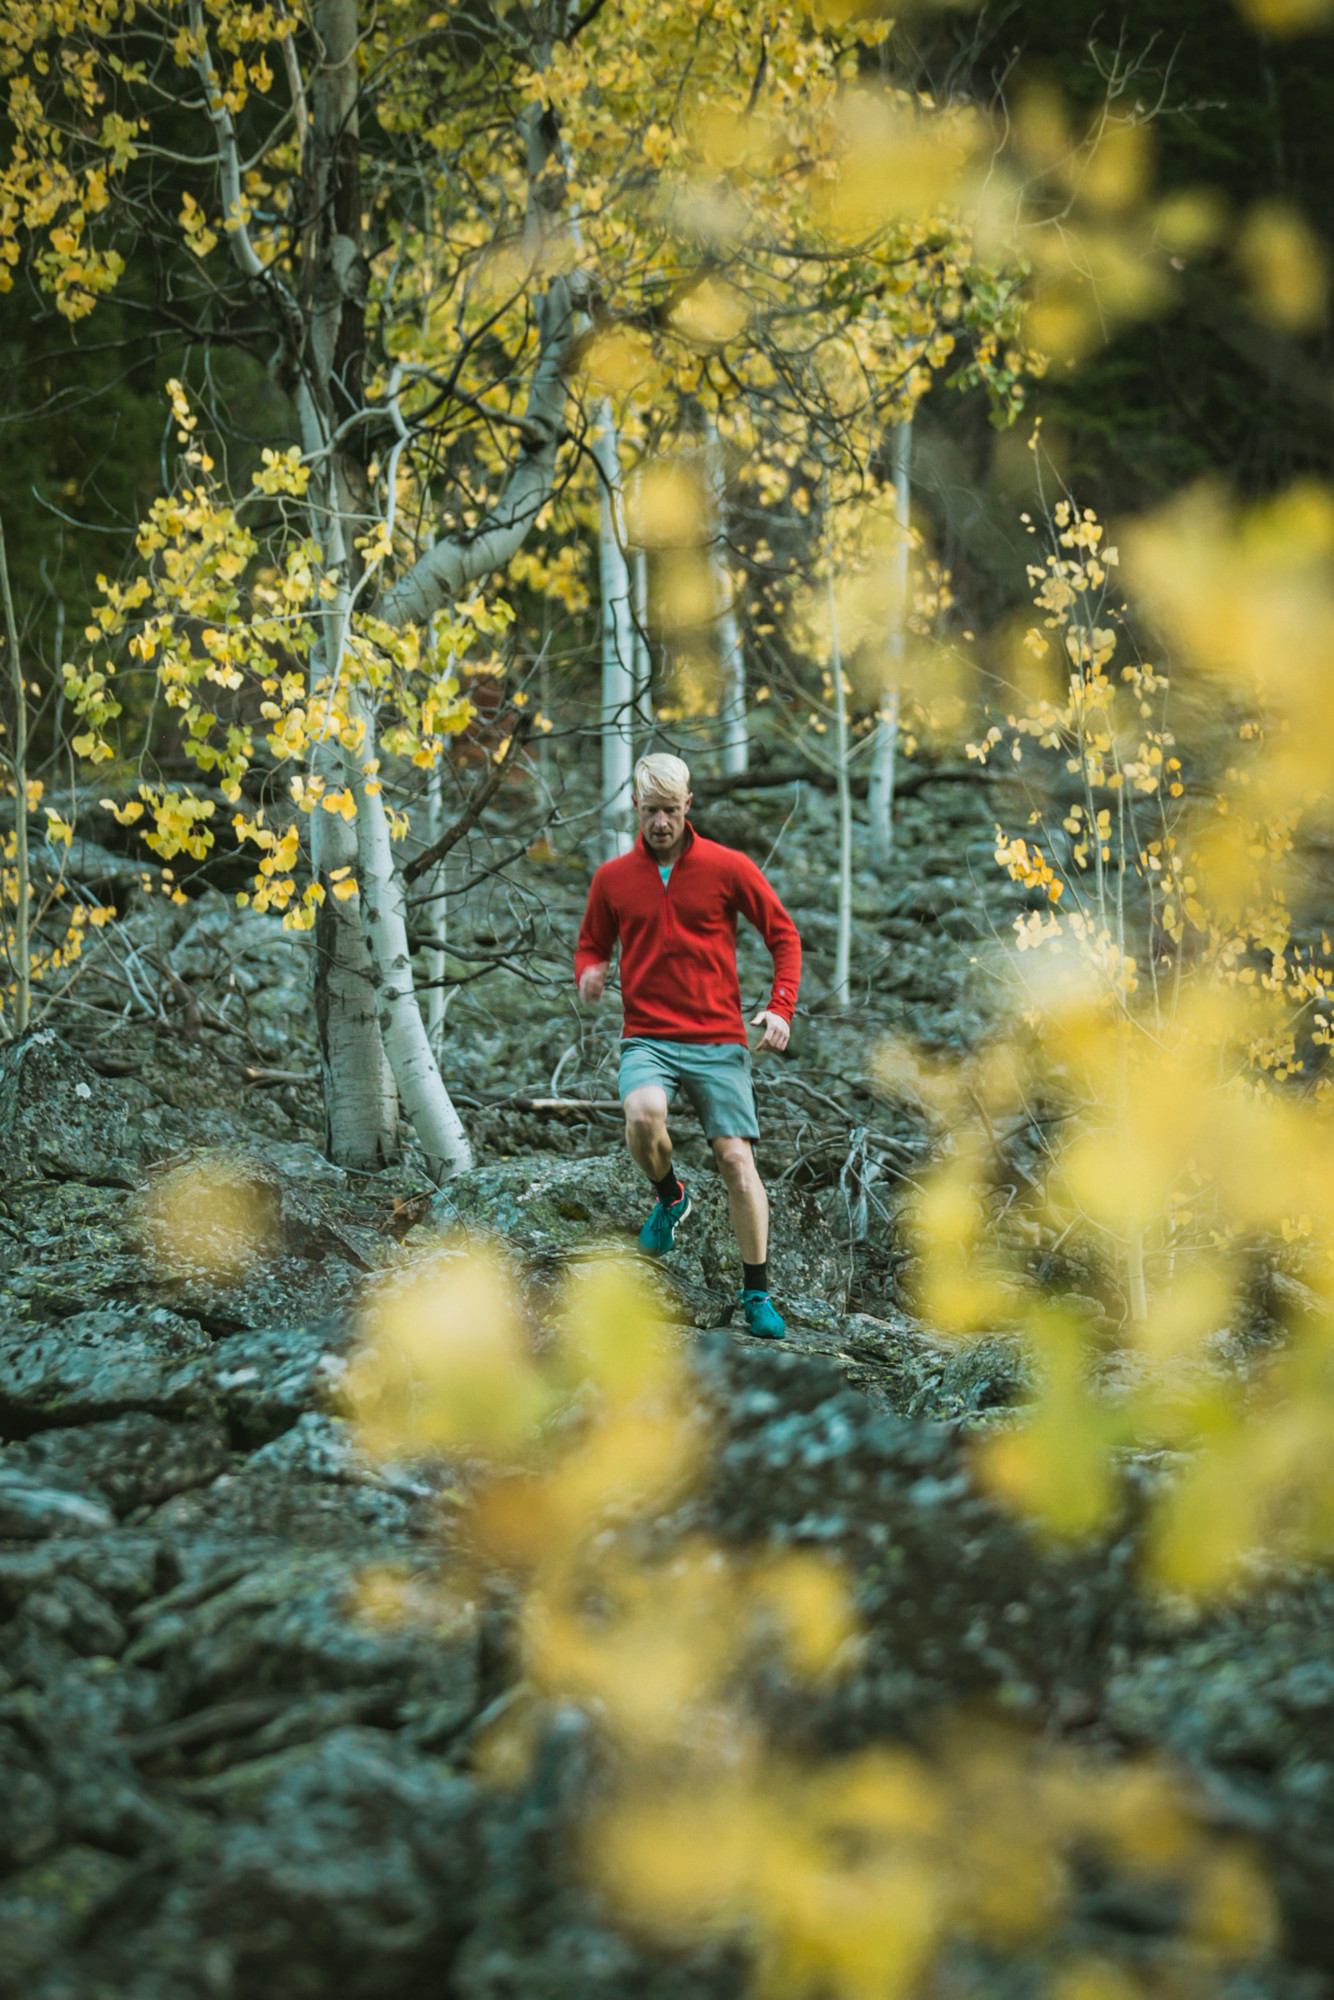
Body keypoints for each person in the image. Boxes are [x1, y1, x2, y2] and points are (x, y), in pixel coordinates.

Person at [575, 752, 802, 1339]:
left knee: (734, 1160)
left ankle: (757, 1294)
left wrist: (779, 1008)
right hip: (648, 1035)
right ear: (636, 807)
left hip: (718, 1037)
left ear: (688, 807)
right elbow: (590, 944)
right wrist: (591, 971)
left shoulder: (728, 867)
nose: (660, 824)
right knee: (644, 1114)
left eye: (671, 812)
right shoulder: (613, 879)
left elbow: (784, 936)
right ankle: (670, 1194)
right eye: (651, 811)